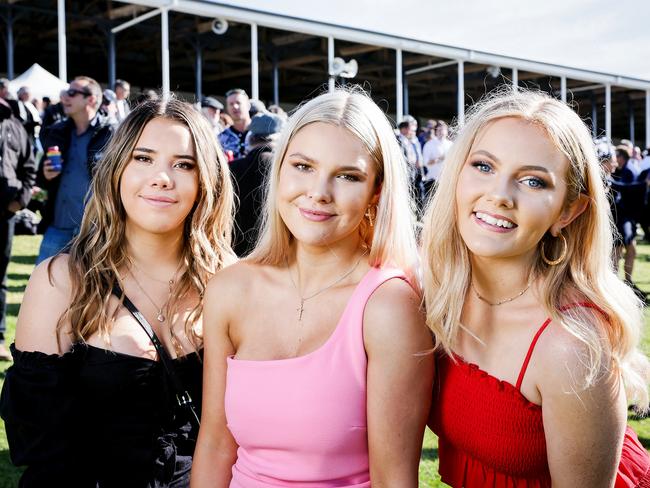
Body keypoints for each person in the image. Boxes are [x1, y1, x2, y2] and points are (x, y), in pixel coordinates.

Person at [192, 88, 434, 486]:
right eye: (303, 166)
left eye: (347, 175)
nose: (319, 192)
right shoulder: (230, 289)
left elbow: (394, 479)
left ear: (376, 191)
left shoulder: (389, 305)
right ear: (279, 168)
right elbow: (217, 443)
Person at [0, 95, 236, 487]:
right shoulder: (62, 282)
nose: (162, 176)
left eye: (183, 164)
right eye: (143, 158)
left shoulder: (231, 280)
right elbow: (41, 446)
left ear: (205, 180)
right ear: (116, 170)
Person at [423, 88, 650, 487]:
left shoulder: (570, 346)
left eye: (533, 181)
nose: (499, 195)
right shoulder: (437, 293)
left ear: (568, 211)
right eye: (483, 166)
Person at [36, 76, 116, 264]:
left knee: (93, 288)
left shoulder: (111, 133)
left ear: (91, 99)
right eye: (65, 93)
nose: (65, 98)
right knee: (43, 284)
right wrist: (46, 175)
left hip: (96, 230)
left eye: (72, 93)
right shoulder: (56, 131)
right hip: (58, 226)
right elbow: (41, 176)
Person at [0, 98, 36, 361]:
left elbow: (29, 166)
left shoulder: (15, 126)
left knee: (0, 277)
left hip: (4, 211)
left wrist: (19, 201)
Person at [230, 112, 285, 257]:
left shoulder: (232, 167)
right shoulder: (285, 169)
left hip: (235, 252)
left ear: (251, 138)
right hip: (277, 251)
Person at [218, 88, 251, 159]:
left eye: (238, 103)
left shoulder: (260, 134)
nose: (235, 106)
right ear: (227, 108)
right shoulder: (221, 138)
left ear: (248, 105)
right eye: (231, 104)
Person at [421, 120, 452, 193]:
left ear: (447, 131)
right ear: (436, 131)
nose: (441, 131)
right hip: (432, 181)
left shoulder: (451, 144)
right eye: (439, 129)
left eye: (443, 129)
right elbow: (426, 163)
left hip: (447, 181)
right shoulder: (429, 144)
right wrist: (439, 159)